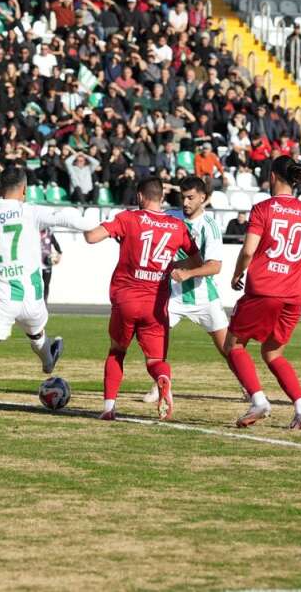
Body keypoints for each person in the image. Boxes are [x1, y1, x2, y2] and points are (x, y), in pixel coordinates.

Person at [0, 167, 93, 424]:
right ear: (24, 190)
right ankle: (48, 359)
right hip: (33, 300)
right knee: (36, 334)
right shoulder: (31, 211)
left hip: (1, 300)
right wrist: (100, 226)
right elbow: (68, 219)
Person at [83, 177, 203, 421]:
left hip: (126, 299)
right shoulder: (176, 226)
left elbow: (92, 237)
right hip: (156, 305)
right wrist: (172, 265)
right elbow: (197, 260)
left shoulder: (128, 219)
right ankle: (163, 379)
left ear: (140, 196)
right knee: (155, 360)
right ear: (161, 197)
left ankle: (108, 407)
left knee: (117, 351)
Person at [226, 157, 301, 429]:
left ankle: (259, 401)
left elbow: (248, 250)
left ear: (272, 177)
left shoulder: (263, 209)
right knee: (273, 353)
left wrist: (237, 274)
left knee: (234, 345)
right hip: (293, 294)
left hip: (264, 289)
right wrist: (294, 267)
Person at [142, 177, 229, 406]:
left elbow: (215, 266)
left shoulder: (209, 226)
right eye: (183, 196)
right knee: (157, 340)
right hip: (172, 296)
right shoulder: (171, 216)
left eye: (191, 197)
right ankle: (158, 384)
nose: (186, 202)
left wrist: (188, 273)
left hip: (203, 296)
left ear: (203, 198)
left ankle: (247, 386)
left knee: (228, 348)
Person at [39, 227, 62, 299]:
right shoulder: (33, 232)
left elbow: (56, 244)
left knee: (46, 284)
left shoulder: (49, 233)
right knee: (36, 284)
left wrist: (59, 256)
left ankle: (45, 301)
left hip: (47, 264)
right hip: (36, 264)